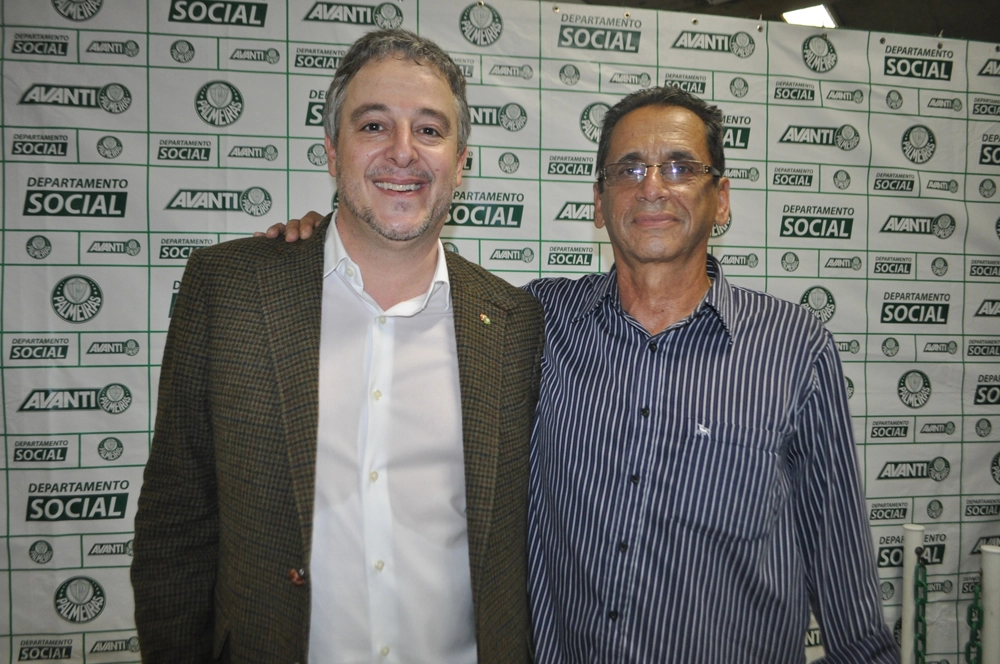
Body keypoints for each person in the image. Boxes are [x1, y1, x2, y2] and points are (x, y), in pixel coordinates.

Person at [272, 87, 898, 662]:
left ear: (722, 197)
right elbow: (402, 291)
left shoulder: (792, 346)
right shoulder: (531, 322)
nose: (653, 187)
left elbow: (841, 572)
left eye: (680, 167)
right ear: (599, 204)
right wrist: (323, 244)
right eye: (628, 169)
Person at [131, 29, 544, 664]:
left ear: (461, 163)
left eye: (430, 131)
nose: (403, 153)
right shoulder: (230, 289)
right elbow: (176, 521)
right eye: (374, 125)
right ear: (331, 151)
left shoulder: (516, 324)